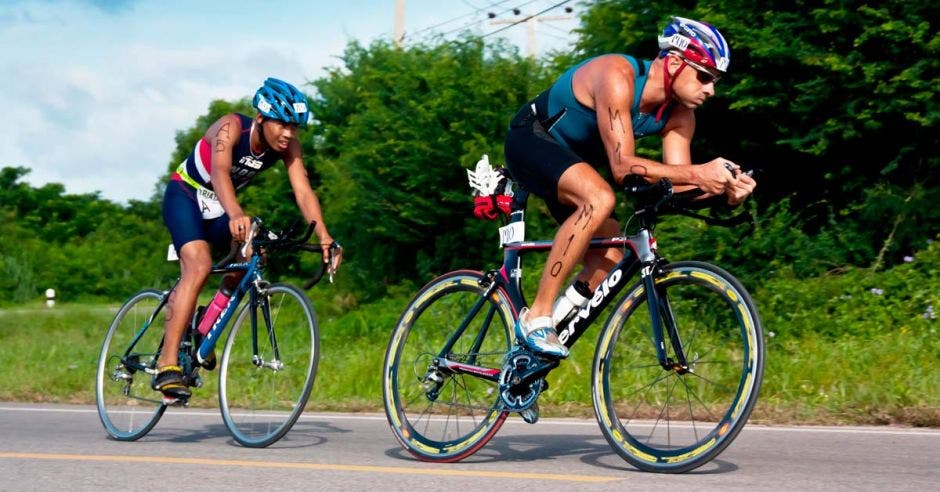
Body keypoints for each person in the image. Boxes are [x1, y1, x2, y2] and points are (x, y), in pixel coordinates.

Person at [504, 16, 756, 359]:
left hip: (573, 164)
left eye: (716, 81)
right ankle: (537, 316)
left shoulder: (680, 115)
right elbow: (623, 167)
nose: (711, 89)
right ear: (675, 61)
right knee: (599, 198)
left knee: (610, 256)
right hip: (531, 139)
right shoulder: (617, 76)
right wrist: (700, 173)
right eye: (705, 76)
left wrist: (726, 194)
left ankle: (531, 354)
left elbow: (678, 185)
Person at [155, 77, 342, 399]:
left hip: (219, 206)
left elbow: (302, 190)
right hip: (186, 195)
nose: (288, 134)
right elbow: (219, 174)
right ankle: (166, 364)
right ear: (261, 119)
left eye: (295, 128)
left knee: (254, 256)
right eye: (282, 125)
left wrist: (325, 236)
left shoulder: (289, 146)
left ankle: (204, 325)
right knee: (198, 267)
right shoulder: (230, 127)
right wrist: (236, 214)